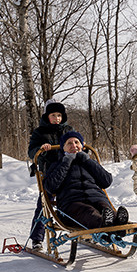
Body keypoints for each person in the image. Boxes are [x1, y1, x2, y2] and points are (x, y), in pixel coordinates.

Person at [44, 131, 129, 233]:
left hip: (96, 198)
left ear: (82, 146)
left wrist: (88, 161)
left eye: (76, 142)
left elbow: (106, 181)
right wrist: (66, 162)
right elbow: (50, 187)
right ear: (63, 148)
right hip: (72, 203)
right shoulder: (57, 164)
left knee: (105, 209)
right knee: (89, 212)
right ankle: (106, 226)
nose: (74, 145)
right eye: (69, 143)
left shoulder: (88, 162)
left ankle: (118, 222)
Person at [26, 99, 73, 250]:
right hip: (50, 173)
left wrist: (80, 145)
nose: (57, 118)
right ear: (47, 116)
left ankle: (81, 229)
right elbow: (31, 152)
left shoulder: (68, 130)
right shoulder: (40, 132)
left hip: (69, 172)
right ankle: (37, 238)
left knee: (77, 198)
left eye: (59, 115)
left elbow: (77, 142)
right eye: (53, 115)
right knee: (44, 204)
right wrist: (41, 149)